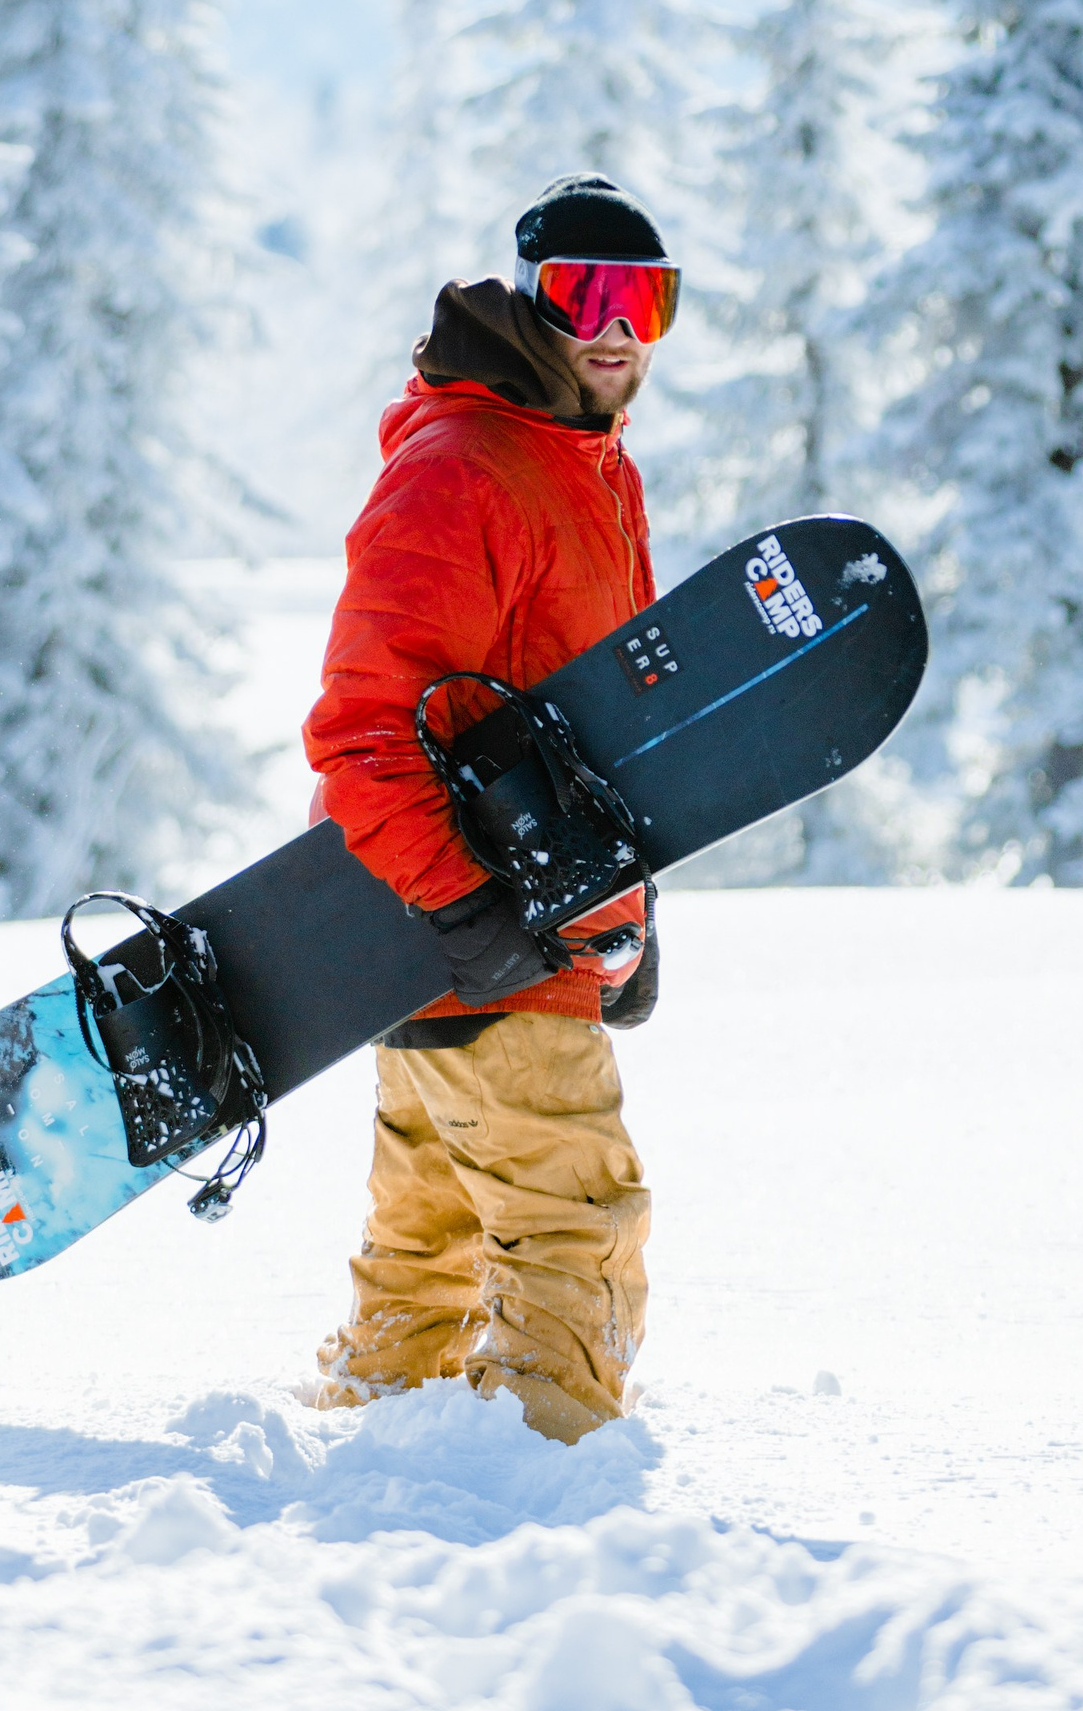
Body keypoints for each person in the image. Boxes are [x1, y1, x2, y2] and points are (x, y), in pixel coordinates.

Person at [301, 173, 678, 1445]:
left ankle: (375, 1458)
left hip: (484, 943)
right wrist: (464, 907)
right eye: (587, 292)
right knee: (576, 1222)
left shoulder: (586, 465)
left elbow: (595, 733)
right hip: (467, 930)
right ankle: (546, 1504)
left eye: (647, 297)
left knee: (434, 1240)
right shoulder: (465, 467)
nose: (618, 324)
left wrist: (623, 922)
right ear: (531, 297)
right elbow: (362, 732)